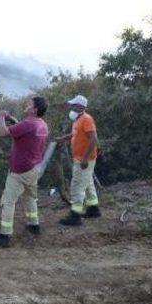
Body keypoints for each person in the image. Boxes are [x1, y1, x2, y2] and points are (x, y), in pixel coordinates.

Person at [0, 97, 49, 247]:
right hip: (34, 168)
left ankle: (5, 235)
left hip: (20, 170)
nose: (27, 105)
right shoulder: (42, 125)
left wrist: (1, 118)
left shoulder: (28, 124)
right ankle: (34, 224)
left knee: (8, 201)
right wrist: (13, 120)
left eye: (29, 104)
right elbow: (22, 130)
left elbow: (3, 132)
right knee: (30, 197)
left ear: (35, 110)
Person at [58, 94, 100, 226]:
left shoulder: (87, 119)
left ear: (81, 106)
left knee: (77, 185)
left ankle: (75, 216)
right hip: (80, 158)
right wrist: (63, 138)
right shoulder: (78, 120)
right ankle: (93, 209)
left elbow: (93, 139)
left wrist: (85, 159)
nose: (71, 107)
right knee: (87, 183)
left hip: (84, 159)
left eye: (73, 105)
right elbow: (75, 134)